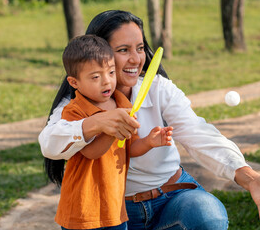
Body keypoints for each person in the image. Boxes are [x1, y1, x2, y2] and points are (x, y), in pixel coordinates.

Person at [39, 10, 260, 229]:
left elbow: (198, 134)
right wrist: (97, 123)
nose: (136, 59)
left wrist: (249, 177)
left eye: (140, 48)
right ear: (101, 53)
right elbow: (49, 143)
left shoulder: (158, 88)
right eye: (123, 50)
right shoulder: (77, 102)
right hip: (114, 212)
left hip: (172, 196)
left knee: (208, 215)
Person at [55, 34, 173, 230]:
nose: (106, 82)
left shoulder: (121, 102)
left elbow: (129, 148)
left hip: (114, 209)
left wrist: (149, 142)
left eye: (110, 72)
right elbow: (90, 152)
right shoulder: (74, 111)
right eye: (95, 77)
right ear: (74, 82)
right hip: (82, 210)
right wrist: (113, 128)